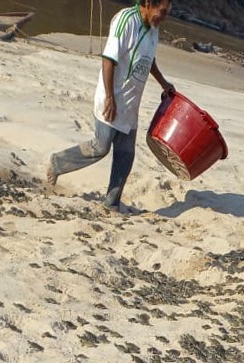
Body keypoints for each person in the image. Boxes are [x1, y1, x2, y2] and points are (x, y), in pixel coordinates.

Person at [47, 0, 175, 212]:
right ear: (149, 4)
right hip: (112, 98)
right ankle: (57, 163)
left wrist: (164, 83)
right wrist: (109, 98)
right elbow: (108, 60)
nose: (164, 18)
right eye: (162, 12)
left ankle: (111, 204)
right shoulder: (126, 20)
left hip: (131, 104)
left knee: (126, 155)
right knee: (101, 147)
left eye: (167, 13)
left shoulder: (153, 29)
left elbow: (148, 60)